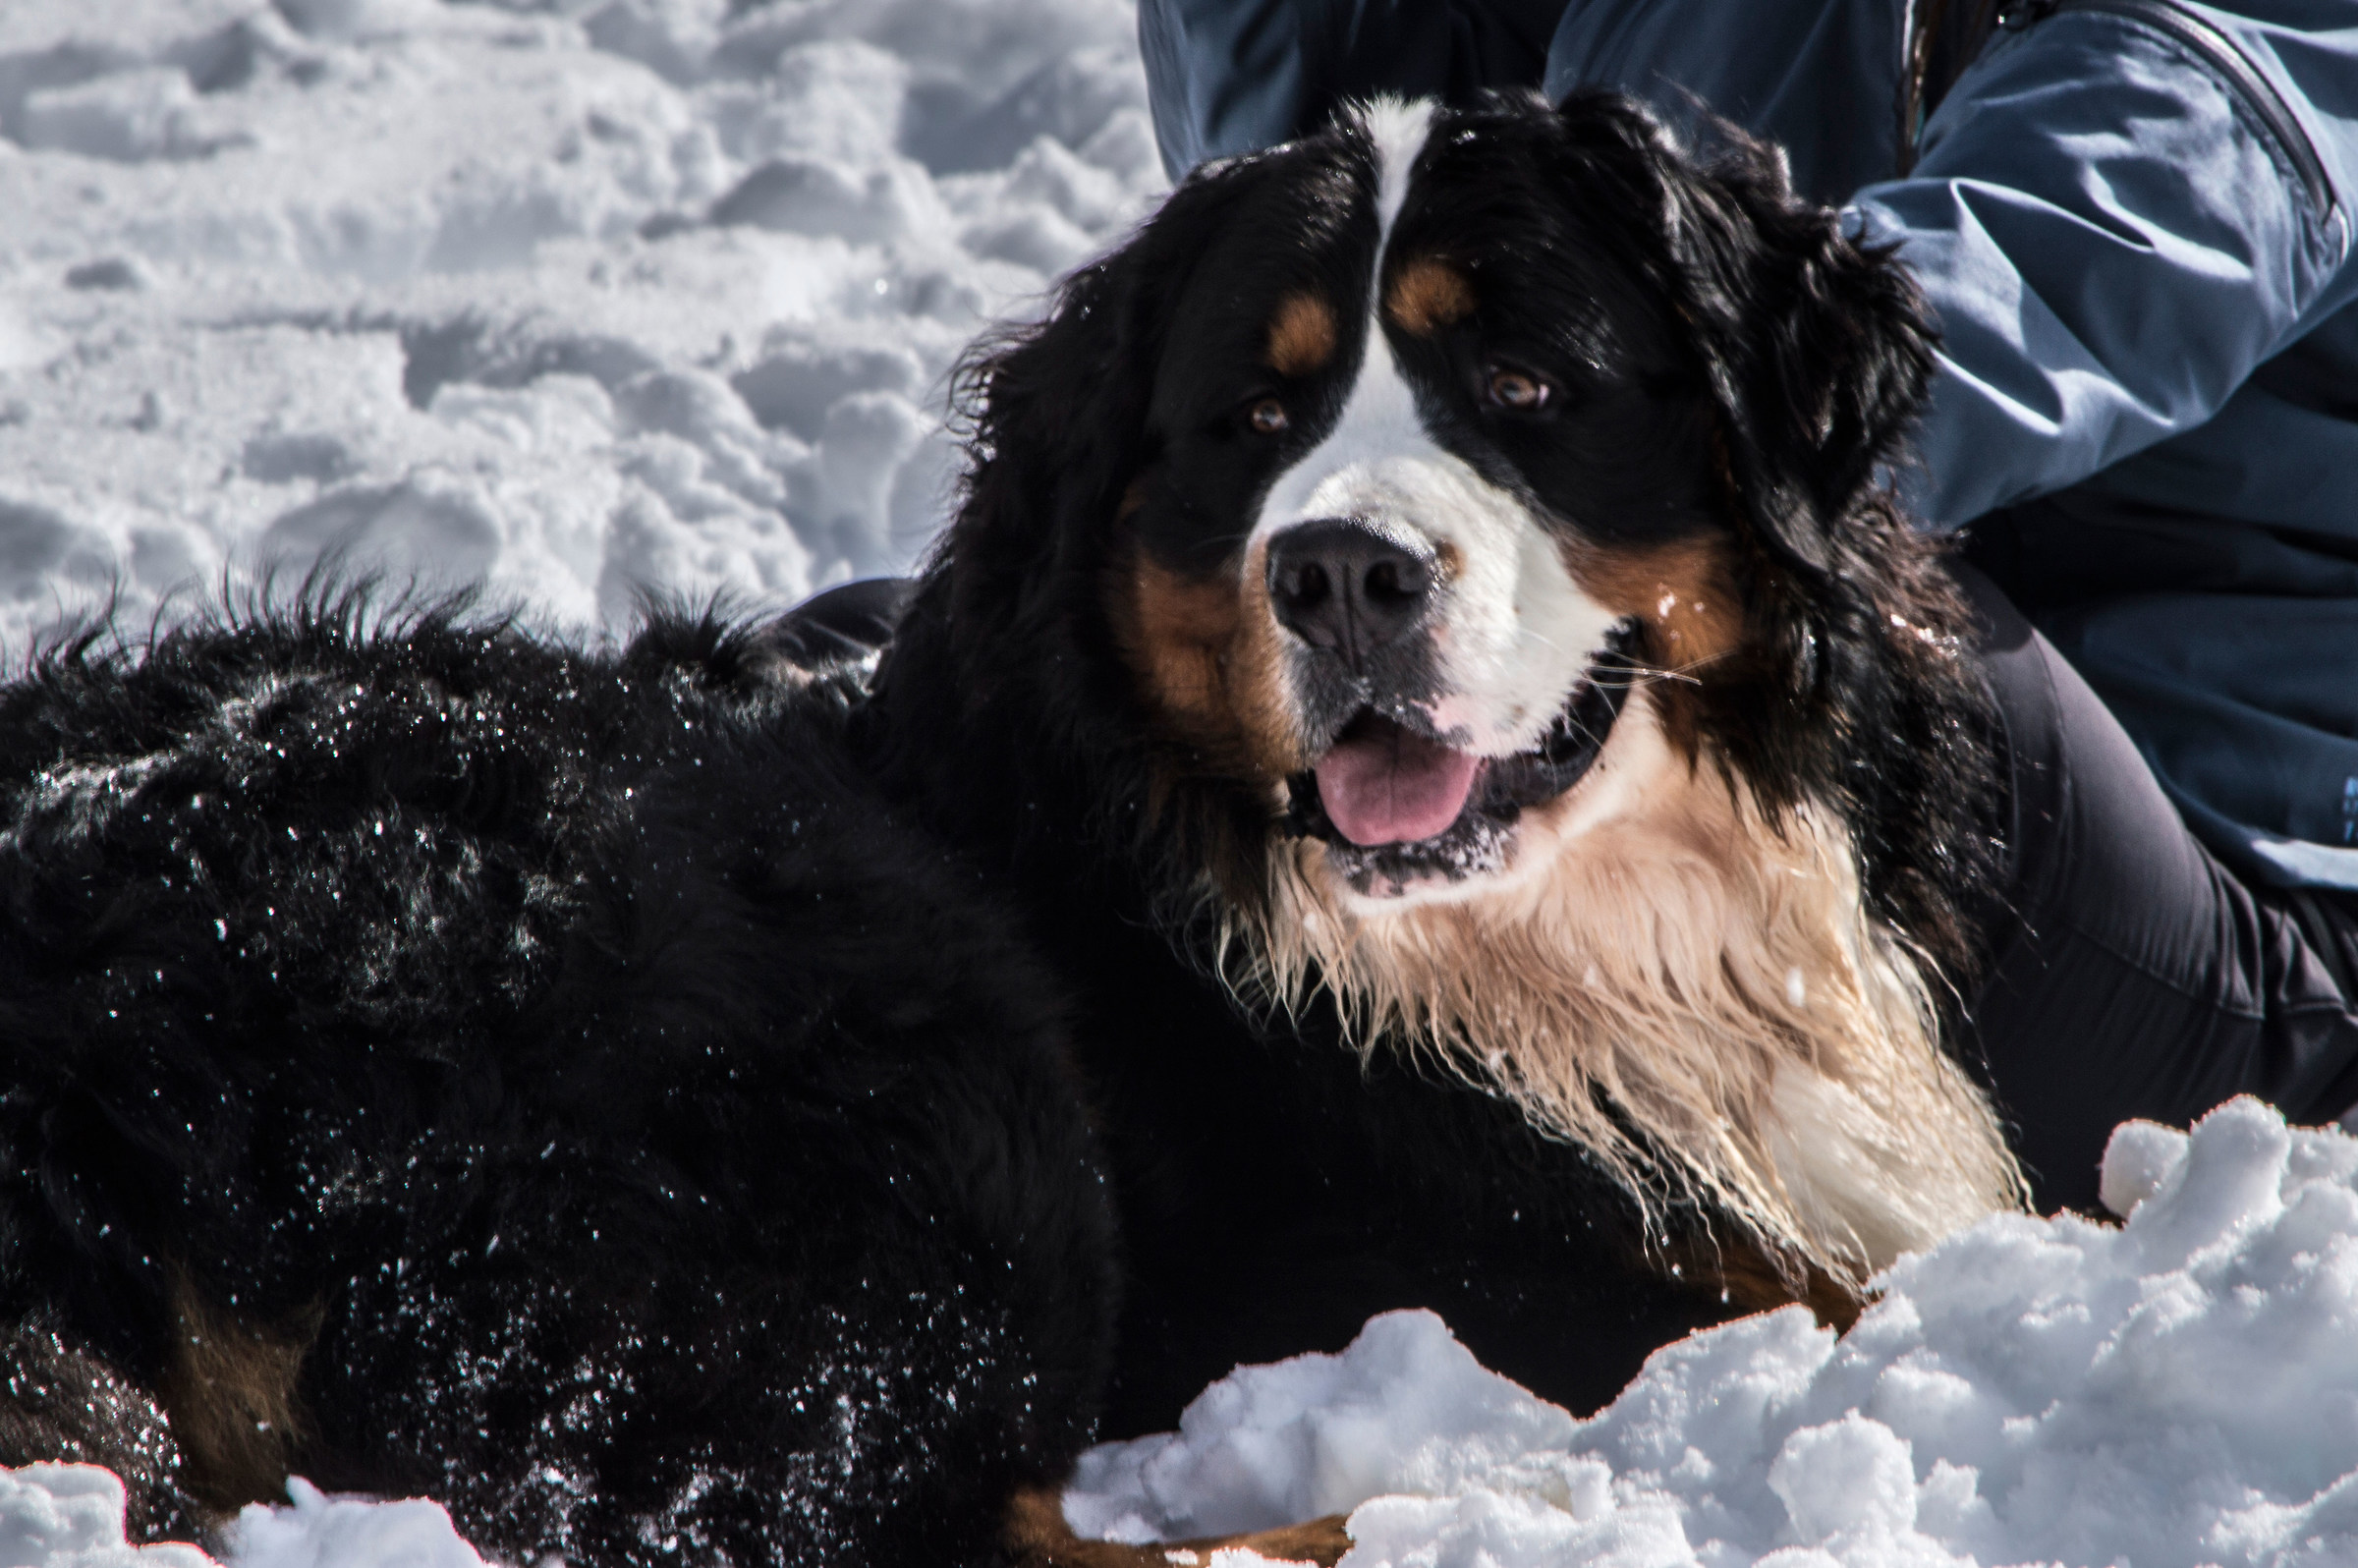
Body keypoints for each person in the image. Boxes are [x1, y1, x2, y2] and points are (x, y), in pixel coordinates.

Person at [1130, 0, 2358, 1210]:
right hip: (1693, 802)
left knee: (1805, 592)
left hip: (2231, 894)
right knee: (1089, 663)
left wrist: (1716, 368)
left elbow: (2031, 283)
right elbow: (1361, 237)